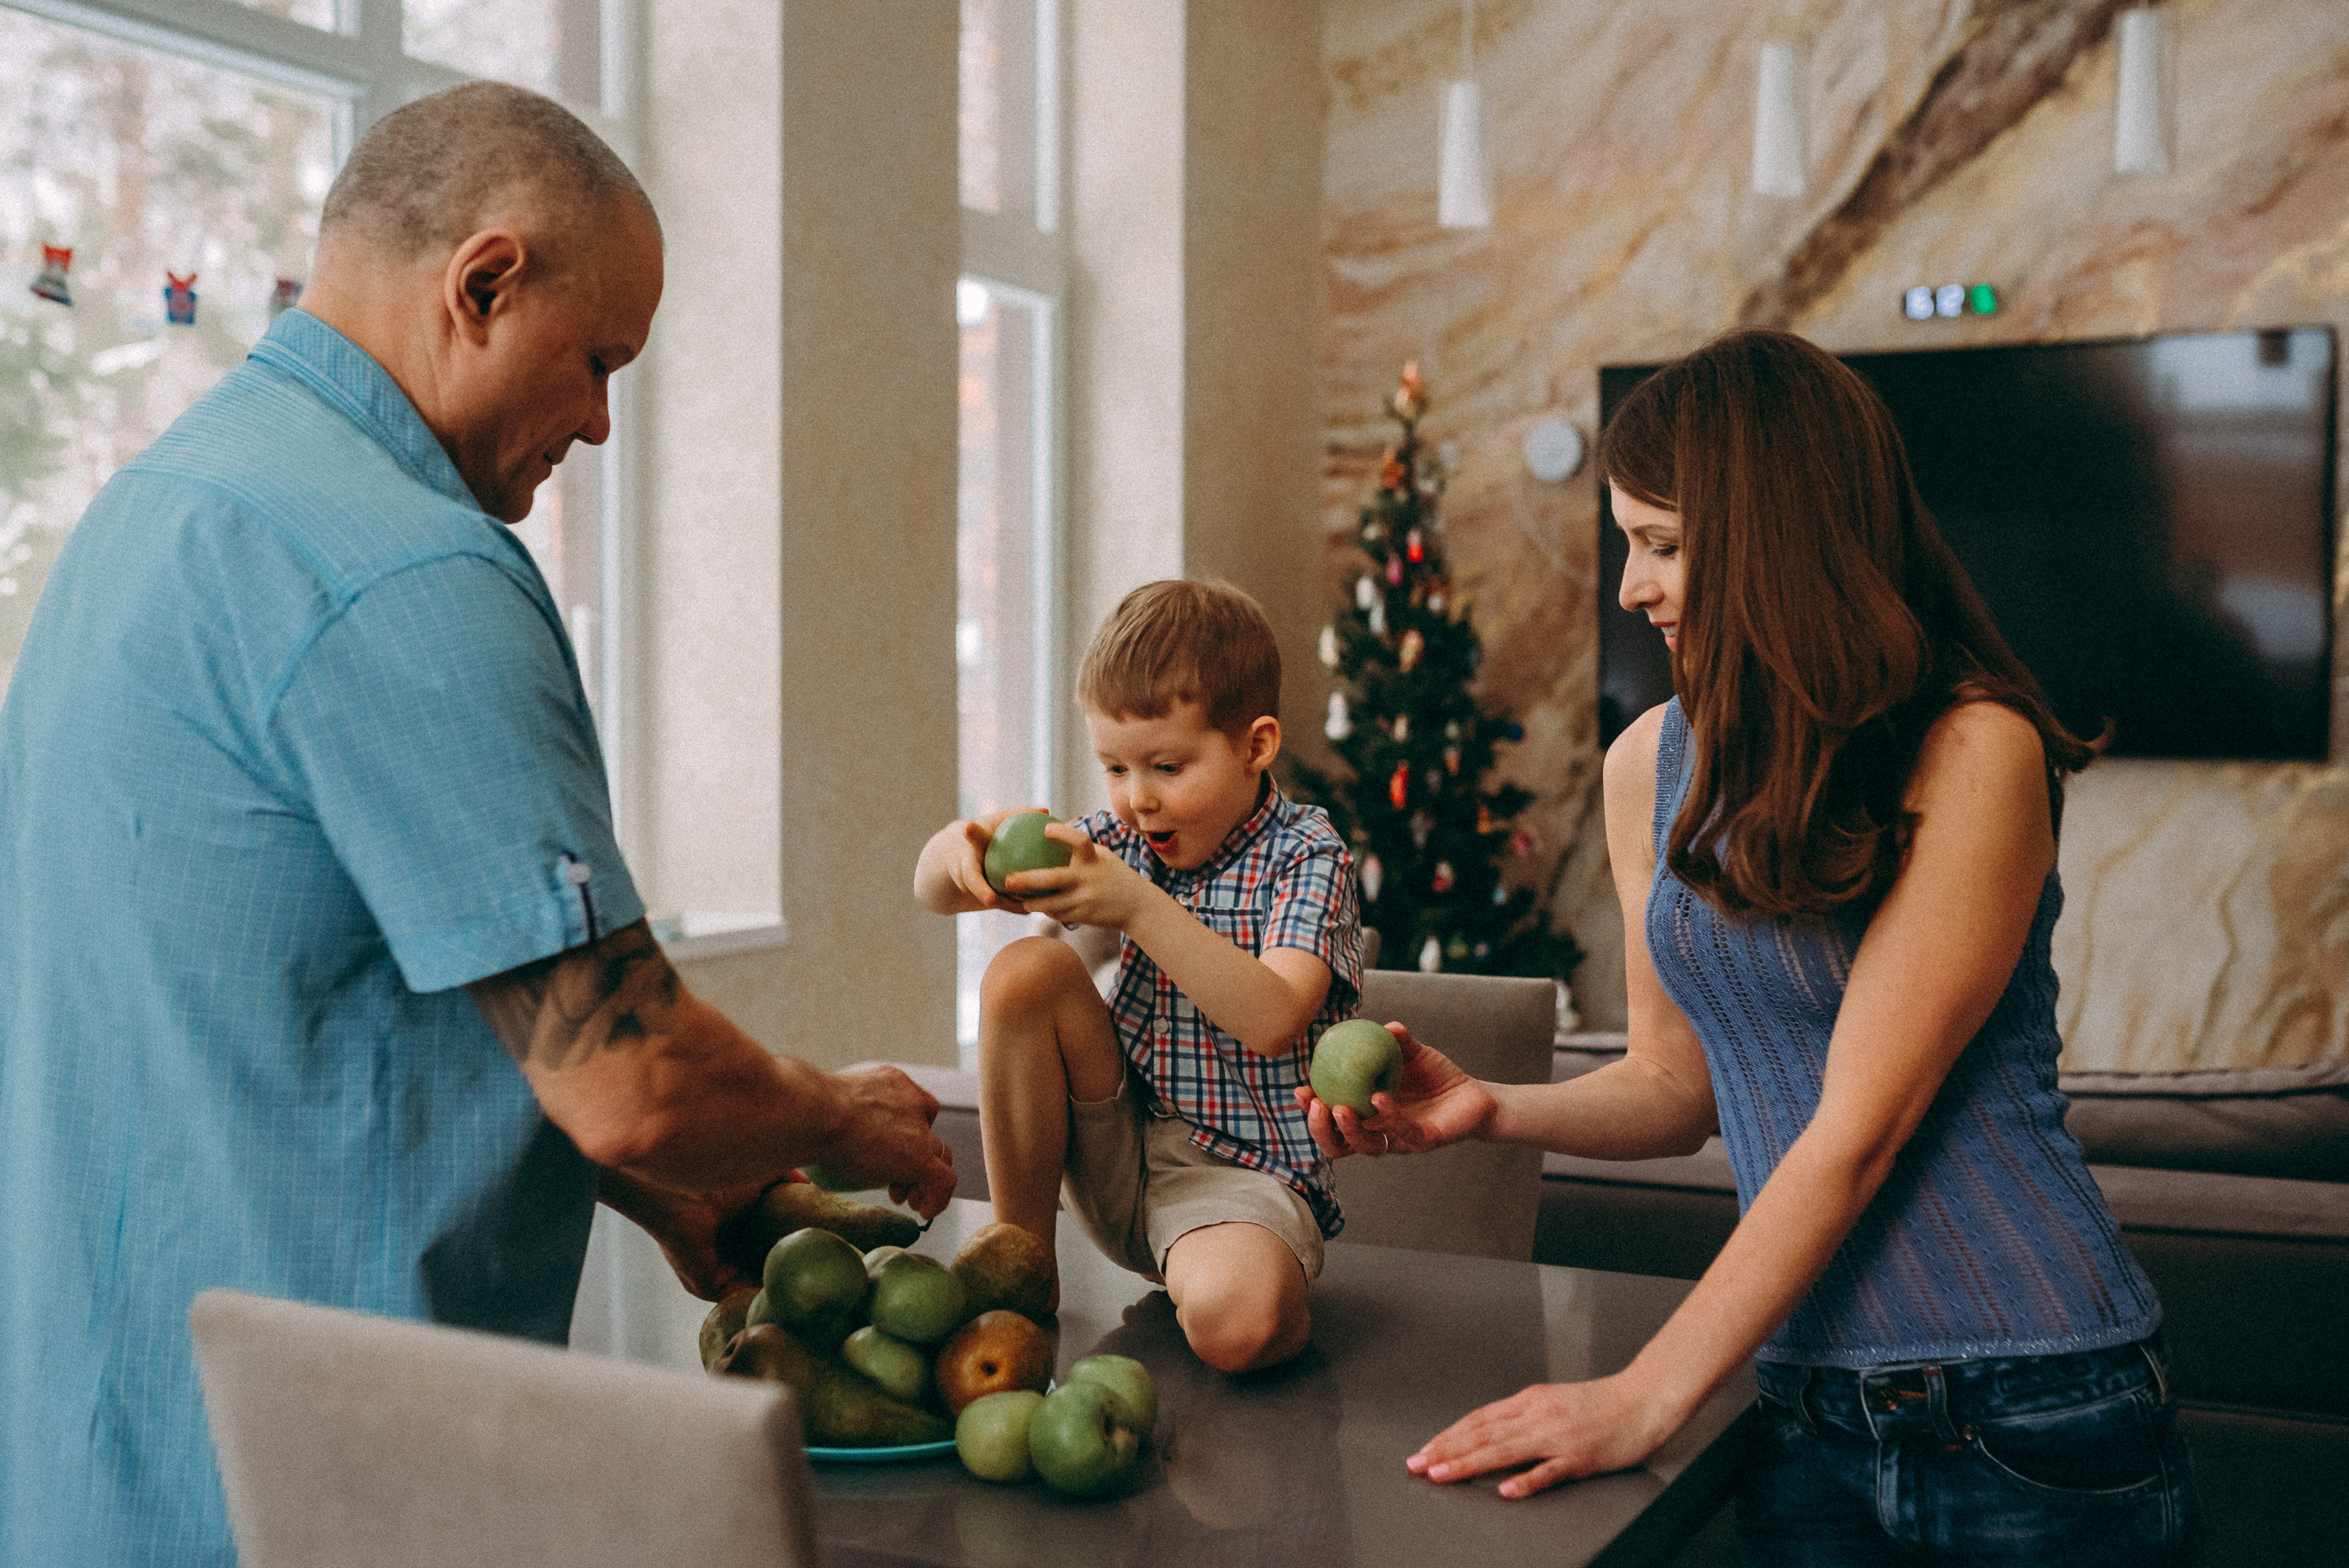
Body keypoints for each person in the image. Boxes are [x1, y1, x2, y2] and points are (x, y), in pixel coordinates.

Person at [0, 83, 952, 1565]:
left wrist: (648, 1186)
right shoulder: (408, 567)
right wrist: (842, 1113)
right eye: (596, 360)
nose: (600, 420)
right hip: (315, 1492)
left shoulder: (148, 515)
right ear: (484, 283)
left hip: (91, 1464)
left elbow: (283, 1010)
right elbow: (627, 1070)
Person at [1301, 329, 2203, 1562]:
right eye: (1629, 541)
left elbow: (1860, 1125)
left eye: (1663, 543)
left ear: (1779, 536)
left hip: (2029, 1405)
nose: (1630, 585)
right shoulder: (1646, 767)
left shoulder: (1974, 747)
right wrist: (1492, 1111)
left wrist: (1646, 1392)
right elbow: (1678, 1090)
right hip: (1800, 1407)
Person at [914, 581, 1363, 1373]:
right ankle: (1022, 1260)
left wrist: (1138, 906)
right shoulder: (1123, 837)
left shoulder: (1306, 854)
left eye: (1166, 765)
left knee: (1238, 1328)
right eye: (1114, 767)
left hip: (1236, 1173)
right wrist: (957, 849)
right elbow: (931, 889)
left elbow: (1274, 1014)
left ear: (1255, 747)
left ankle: (1247, 1268)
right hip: (1111, 1145)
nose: (1135, 799)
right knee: (1027, 969)